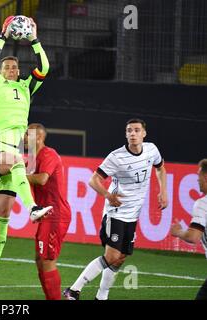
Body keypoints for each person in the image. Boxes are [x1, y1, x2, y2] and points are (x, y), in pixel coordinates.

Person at [0, 16, 52, 295]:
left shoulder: (25, 88)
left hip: (12, 152)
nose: (10, 68)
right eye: (6, 66)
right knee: (18, 162)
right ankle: (32, 208)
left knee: (4, 214)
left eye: (14, 66)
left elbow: (44, 66)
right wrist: (3, 36)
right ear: (0, 71)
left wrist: (33, 39)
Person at [64, 118, 168, 300]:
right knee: (112, 256)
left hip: (133, 215)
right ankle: (74, 290)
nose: (133, 134)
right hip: (116, 213)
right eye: (129, 131)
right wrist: (108, 195)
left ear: (144, 133)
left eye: (136, 130)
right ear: (126, 134)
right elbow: (93, 180)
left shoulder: (151, 150)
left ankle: (101, 296)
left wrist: (163, 191)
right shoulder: (117, 157)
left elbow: (160, 167)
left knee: (121, 258)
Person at [24, 123, 71, 300]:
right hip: (45, 214)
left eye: (28, 134)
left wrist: (20, 175)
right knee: (39, 259)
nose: (24, 138)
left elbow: (42, 179)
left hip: (55, 214)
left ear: (39, 137)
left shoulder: (49, 154)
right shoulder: (31, 157)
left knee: (47, 261)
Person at [170, 158, 207, 300]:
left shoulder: (203, 204)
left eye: (198, 176)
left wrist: (178, 232)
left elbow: (193, 237)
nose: (197, 180)